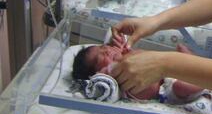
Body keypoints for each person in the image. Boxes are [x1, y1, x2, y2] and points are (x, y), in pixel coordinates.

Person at [72, 38, 203, 102]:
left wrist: (126, 50)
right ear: (96, 73)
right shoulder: (114, 74)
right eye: (98, 58)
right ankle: (202, 81)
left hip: (167, 71)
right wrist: (107, 71)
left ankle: (191, 63)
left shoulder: (125, 55)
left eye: (103, 47)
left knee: (180, 65)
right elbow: (100, 83)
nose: (107, 50)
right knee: (181, 87)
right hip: (167, 90)